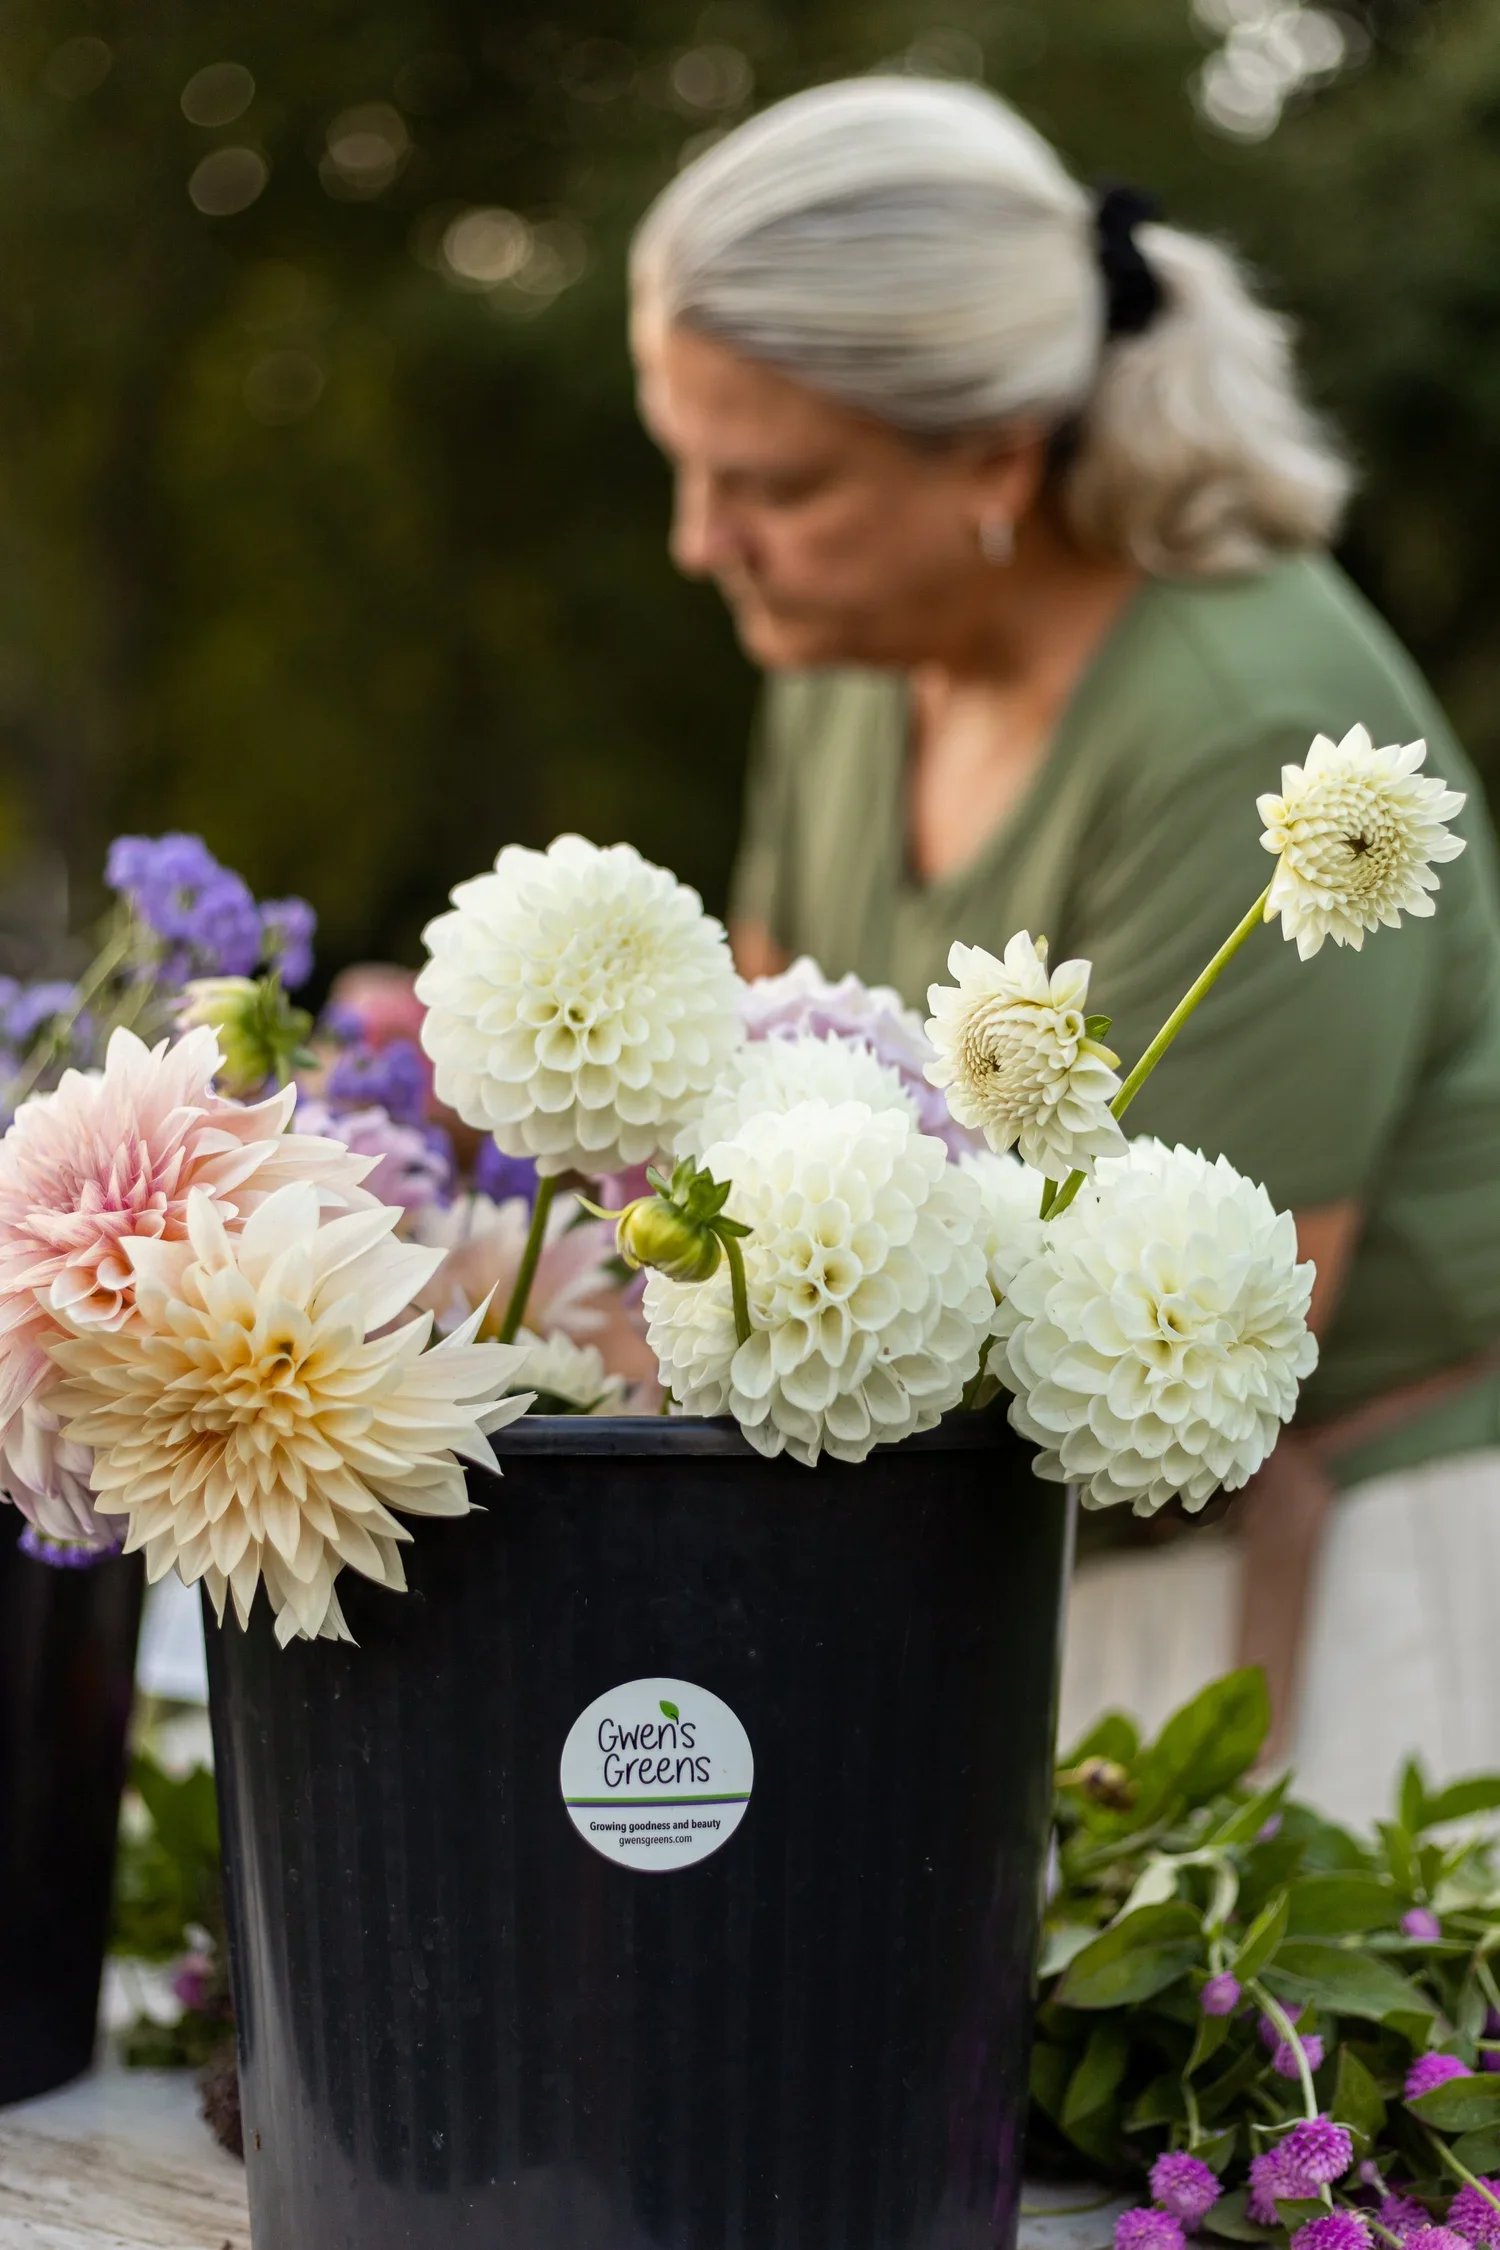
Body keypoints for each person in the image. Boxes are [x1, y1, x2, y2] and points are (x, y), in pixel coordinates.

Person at [629, 75, 1500, 1820]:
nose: (699, 543)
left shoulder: (1254, 724)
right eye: (685, 463)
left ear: (995, 455)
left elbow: (1212, 1355)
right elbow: (749, 1090)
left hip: (1347, 1601)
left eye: (773, 483)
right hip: (980, 1552)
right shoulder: (846, 653)